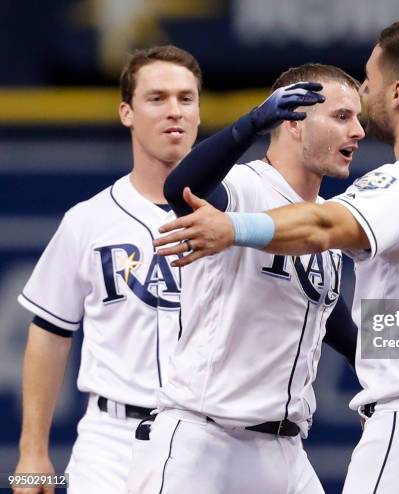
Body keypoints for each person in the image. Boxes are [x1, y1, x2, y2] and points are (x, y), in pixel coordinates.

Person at [153, 22, 399, 494]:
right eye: (342, 113)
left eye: (368, 83)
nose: (363, 112)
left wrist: (234, 229)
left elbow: (322, 227)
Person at [127, 63, 364, 494]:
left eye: (358, 118)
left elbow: (334, 321)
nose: (359, 131)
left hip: (285, 452)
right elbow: (182, 187)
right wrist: (250, 124)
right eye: (342, 116)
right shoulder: (244, 187)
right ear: (292, 121)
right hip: (205, 442)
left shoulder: (319, 225)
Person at [13, 45, 203, 493]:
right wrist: (32, 452)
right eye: (156, 99)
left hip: (212, 437)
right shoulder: (89, 220)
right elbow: (49, 332)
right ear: (127, 113)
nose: (173, 111)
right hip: (112, 440)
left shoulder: (241, 214)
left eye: (186, 98)